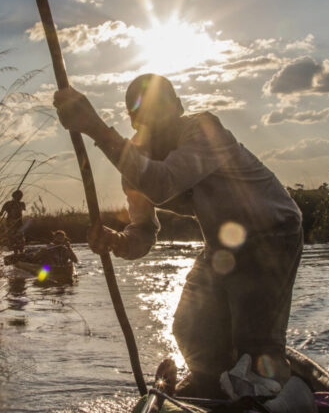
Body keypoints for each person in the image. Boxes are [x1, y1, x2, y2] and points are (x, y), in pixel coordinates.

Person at [54, 74, 303, 399]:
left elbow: (163, 182)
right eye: (145, 112)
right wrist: (117, 241)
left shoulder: (204, 130)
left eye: (163, 109)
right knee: (188, 329)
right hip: (223, 245)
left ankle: (267, 387)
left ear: (179, 108)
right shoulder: (135, 163)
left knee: (256, 346)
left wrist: (95, 128)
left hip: (271, 232)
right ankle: (211, 383)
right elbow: (143, 232)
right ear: (134, 120)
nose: (156, 119)